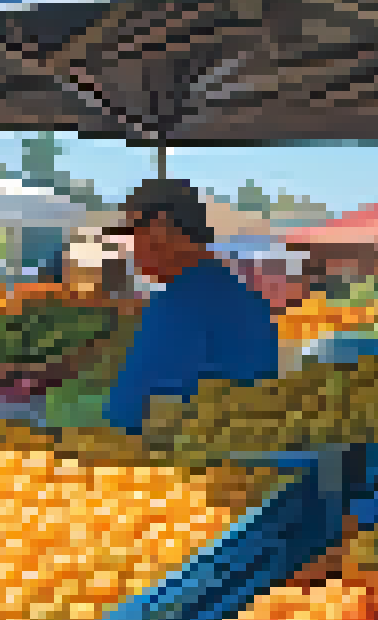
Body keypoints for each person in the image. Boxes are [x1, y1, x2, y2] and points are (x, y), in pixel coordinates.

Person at [104, 179, 279, 435]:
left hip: (184, 459)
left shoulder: (179, 304)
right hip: (240, 447)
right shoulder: (244, 296)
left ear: (160, 230)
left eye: (133, 234)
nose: (132, 250)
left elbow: (132, 409)